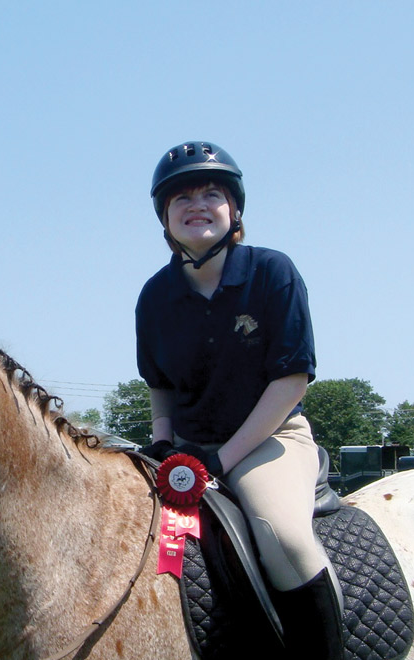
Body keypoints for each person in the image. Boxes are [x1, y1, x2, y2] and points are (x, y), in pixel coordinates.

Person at [135, 141, 344, 658]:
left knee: (283, 539)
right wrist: (164, 443)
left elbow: (292, 380)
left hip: (268, 440)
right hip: (185, 452)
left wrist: (222, 460)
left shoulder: (273, 273)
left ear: (235, 211)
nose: (197, 205)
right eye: (181, 198)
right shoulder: (153, 297)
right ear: (165, 217)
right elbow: (159, 383)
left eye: (212, 193)